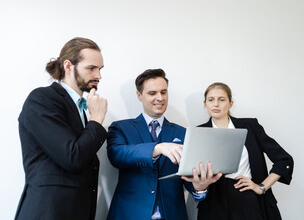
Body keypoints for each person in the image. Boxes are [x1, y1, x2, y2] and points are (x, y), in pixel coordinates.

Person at [107, 69, 221, 220]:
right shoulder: (120, 127)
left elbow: (189, 179)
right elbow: (117, 155)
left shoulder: (184, 133)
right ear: (139, 96)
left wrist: (199, 187)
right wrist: (158, 148)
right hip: (129, 214)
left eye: (163, 92)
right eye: (152, 93)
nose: (160, 98)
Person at [15, 37, 108, 220]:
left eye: (100, 69)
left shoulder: (80, 108)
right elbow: (73, 157)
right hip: (48, 212)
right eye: (91, 68)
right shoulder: (42, 99)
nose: (98, 76)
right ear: (68, 66)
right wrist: (96, 119)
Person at [197, 82, 294, 220]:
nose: (216, 104)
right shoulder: (197, 133)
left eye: (221, 99)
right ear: (205, 103)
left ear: (230, 104)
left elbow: (284, 160)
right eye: (211, 100)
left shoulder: (250, 126)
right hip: (214, 205)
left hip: (250, 203)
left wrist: (261, 187)